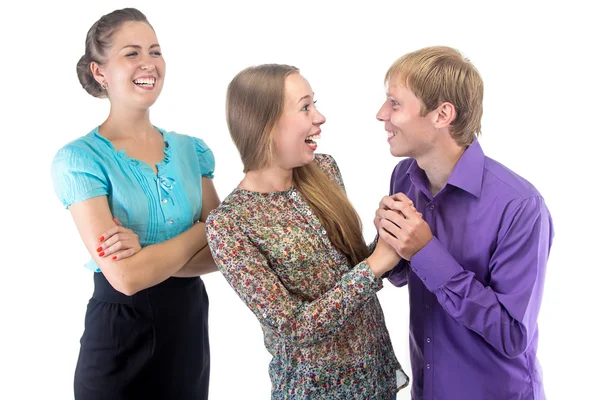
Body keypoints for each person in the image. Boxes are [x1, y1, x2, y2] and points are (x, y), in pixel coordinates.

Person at [205, 64, 409, 399]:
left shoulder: (324, 170)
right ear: (266, 124)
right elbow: (295, 326)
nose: (319, 117)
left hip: (376, 380)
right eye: (305, 107)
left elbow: (350, 275)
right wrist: (377, 263)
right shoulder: (230, 224)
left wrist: (386, 238)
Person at [50, 8, 218, 399]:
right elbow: (125, 279)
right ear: (100, 72)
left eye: (155, 51)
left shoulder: (191, 150)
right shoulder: (80, 160)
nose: (149, 63)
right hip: (118, 338)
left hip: (188, 332)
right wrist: (201, 230)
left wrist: (144, 254)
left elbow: (226, 252)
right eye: (132, 53)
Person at [373, 46, 554, 400]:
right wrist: (388, 239)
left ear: (442, 114)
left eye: (395, 103)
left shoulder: (520, 206)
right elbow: (400, 275)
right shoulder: (404, 176)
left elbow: (513, 334)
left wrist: (426, 251)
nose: (381, 114)